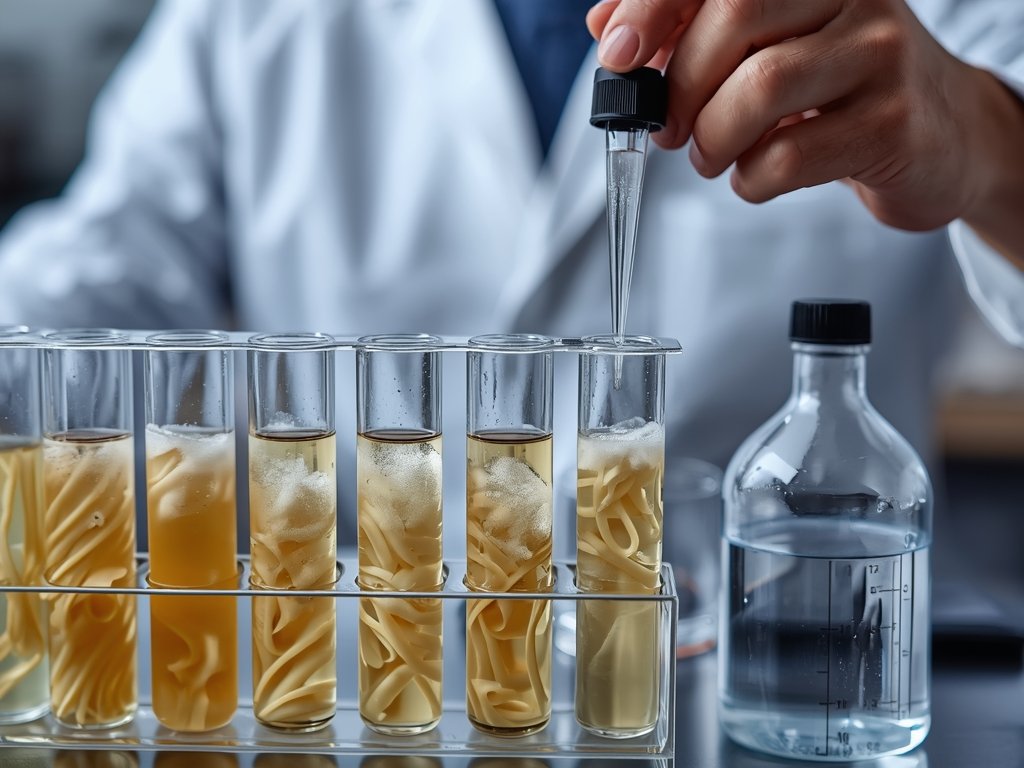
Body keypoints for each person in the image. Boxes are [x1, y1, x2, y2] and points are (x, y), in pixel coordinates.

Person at [0, 0, 1021, 554]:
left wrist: (987, 141)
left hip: (784, 685)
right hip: (356, 690)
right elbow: (75, 296)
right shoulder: (246, 21)